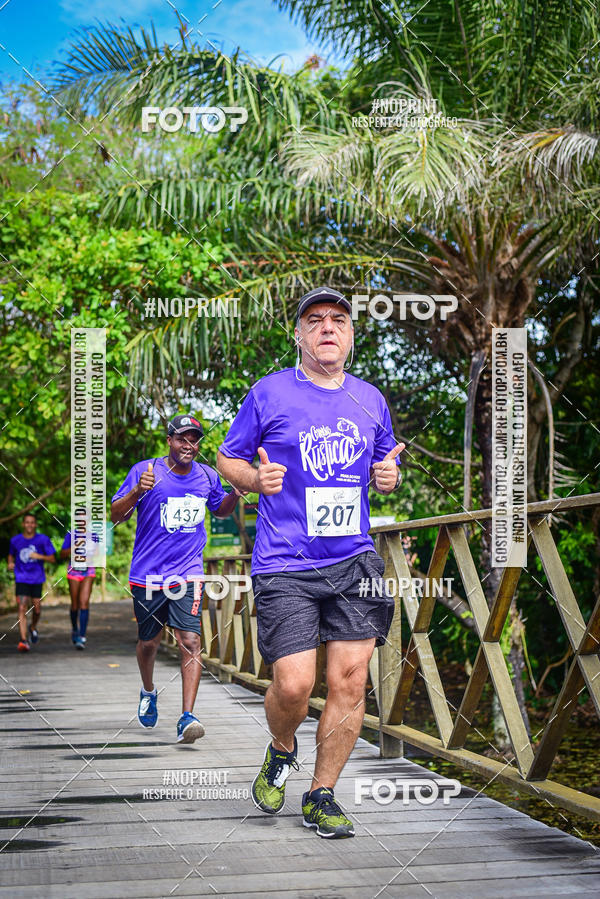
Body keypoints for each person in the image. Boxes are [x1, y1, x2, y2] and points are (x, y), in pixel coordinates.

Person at [217, 286, 404, 839]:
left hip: (354, 562)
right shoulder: (269, 393)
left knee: (349, 682)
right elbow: (228, 458)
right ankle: (281, 748)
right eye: (315, 319)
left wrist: (388, 477)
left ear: (350, 335)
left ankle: (321, 794)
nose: (327, 327)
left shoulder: (370, 399)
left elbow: (384, 463)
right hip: (285, 562)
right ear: (298, 334)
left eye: (339, 319)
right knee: (294, 686)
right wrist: (256, 479)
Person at [111, 414, 241, 743]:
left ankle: (187, 717)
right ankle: (148, 690)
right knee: (149, 643)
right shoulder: (145, 471)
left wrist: (235, 494)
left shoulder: (208, 476)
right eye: (182, 438)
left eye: (194, 439)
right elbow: (116, 515)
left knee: (191, 641)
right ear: (169, 440)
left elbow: (220, 510)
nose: (188, 445)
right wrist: (137, 493)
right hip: (147, 575)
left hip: (189, 573)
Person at [7, 512, 56, 652]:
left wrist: (38, 556)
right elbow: (10, 556)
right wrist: (10, 563)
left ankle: (33, 627)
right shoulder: (15, 540)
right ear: (23, 524)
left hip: (36, 578)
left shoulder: (43, 540)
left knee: (37, 609)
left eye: (32, 522)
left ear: (35, 525)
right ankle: (23, 640)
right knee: (22, 607)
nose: (29, 525)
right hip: (21, 578)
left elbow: (52, 559)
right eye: (27, 522)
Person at [60, 526, 99, 650]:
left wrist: (91, 552)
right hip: (74, 571)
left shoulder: (93, 535)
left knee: (84, 602)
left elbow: (98, 554)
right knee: (75, 604)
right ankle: (75, 629)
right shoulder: (70, 534)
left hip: (88, 570)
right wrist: (75, 547)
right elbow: (62, 554)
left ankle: (82, 636)